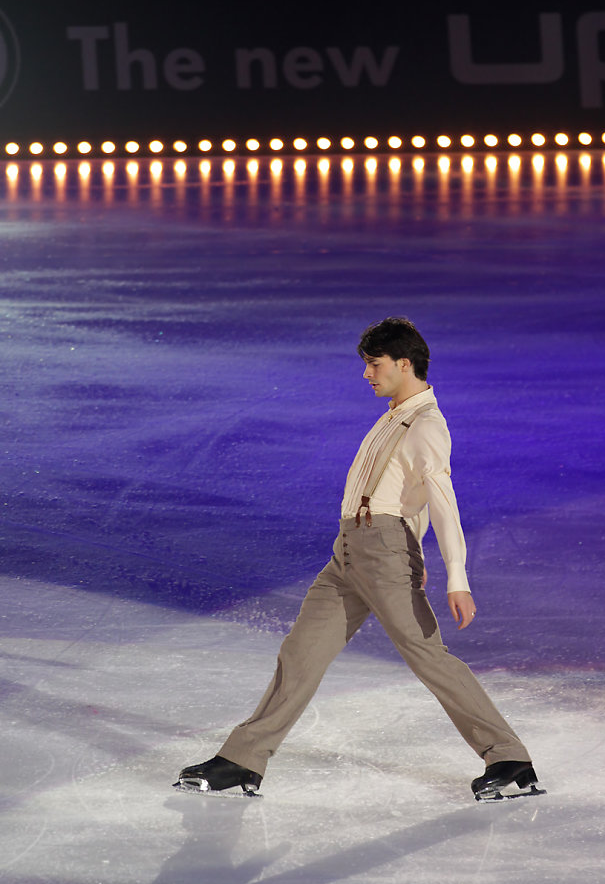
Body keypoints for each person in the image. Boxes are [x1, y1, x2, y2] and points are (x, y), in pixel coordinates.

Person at [176, 317, 540, 801]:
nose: (367, 374)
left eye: (374, 364)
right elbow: (407, 495)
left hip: (383, 555)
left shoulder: (427, 425)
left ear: (404, 363)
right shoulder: (392, 417)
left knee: (429, 658)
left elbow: (441, 500)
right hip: (347, 555)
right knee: (300, 655)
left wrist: (457, 576)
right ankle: (243, 760)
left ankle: (509, 758)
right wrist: (412, 543)